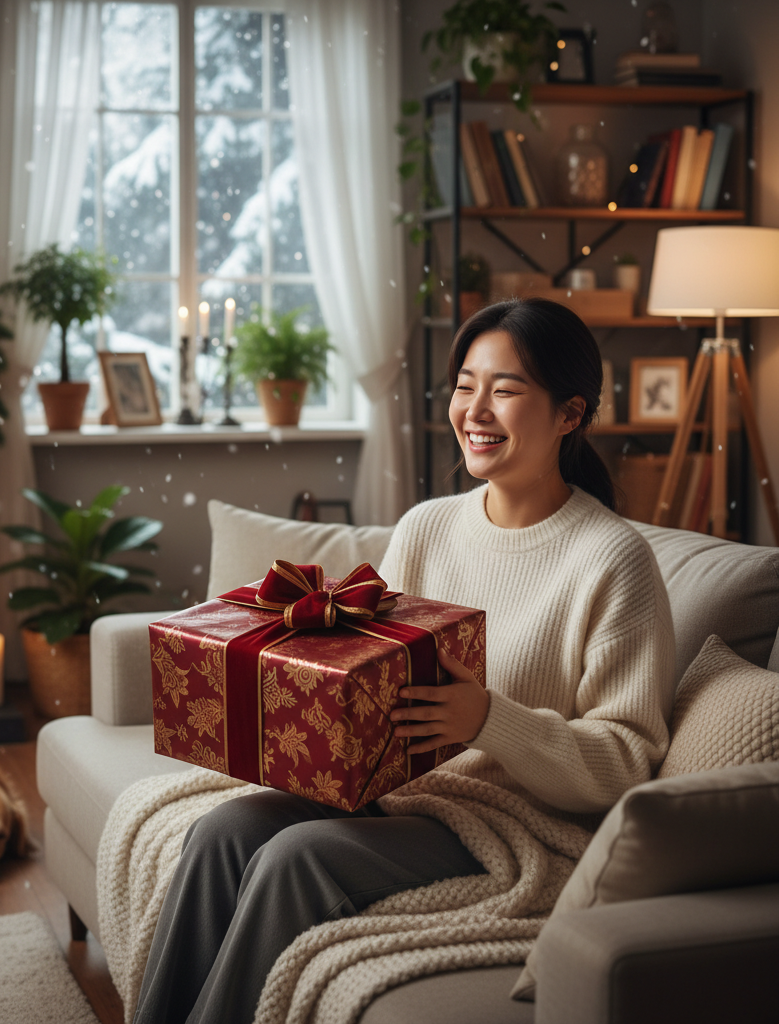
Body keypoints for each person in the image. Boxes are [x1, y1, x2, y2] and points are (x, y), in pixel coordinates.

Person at [132, 297, 674, 1024]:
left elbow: (627, 762)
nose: (476, 410)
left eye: (506, 390)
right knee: (220, 832)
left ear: (570, 414)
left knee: (296, 859)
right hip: (396, 792)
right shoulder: (427, 527)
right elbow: (379, 668)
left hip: (508, 822)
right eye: (464, 385)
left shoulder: (614, 560)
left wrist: (488, 719)